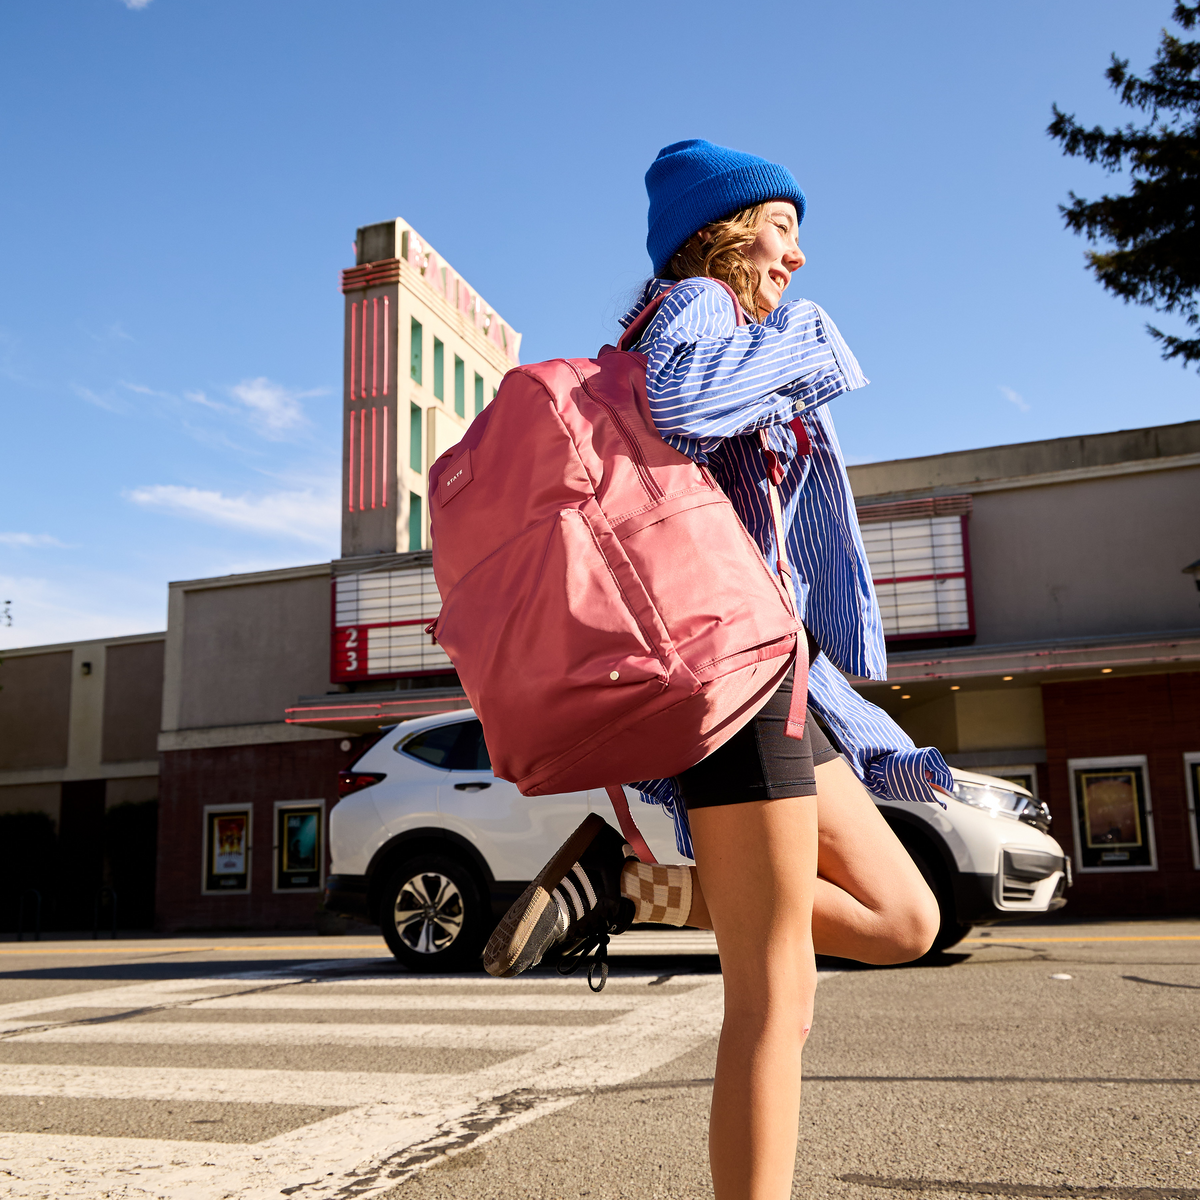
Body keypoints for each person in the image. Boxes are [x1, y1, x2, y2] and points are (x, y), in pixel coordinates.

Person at [485, 138, 952, 1200]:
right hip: (736, 683)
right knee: (776, 999)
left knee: (905, 919)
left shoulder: (719, 318)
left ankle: (628, 886)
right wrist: (808, 336)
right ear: (722, 232)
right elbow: (690, 401)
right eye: (782, 226)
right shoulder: (698, 304)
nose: (799, 254)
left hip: (773, 676)